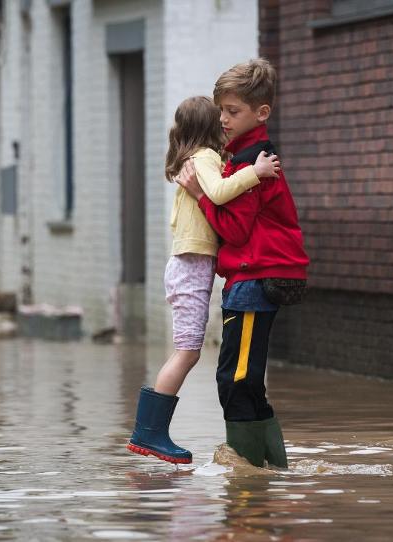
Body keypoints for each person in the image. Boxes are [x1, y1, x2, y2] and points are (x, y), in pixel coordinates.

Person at [127, 95, 282, 465]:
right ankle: (148, 434)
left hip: (186, 266)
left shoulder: (193, 158)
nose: (227, 123)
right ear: (212, 126)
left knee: (187, 350)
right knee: (188, 351)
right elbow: (218, 192)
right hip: (191, 268)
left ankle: (149, 433)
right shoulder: (205, 159)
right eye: (222, 118)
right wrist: (254, 173)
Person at [176, 59, 310, 468]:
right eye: (221, 111)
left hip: (256, 276)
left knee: (235, 379)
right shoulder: (243, 159)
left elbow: (234, 232)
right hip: (250, 276)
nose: (223, 119)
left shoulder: (254, 162)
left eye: (233, 111)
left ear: (261, 113)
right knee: (245, 379)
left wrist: (200, 196)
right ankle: (271, 469)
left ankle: (245, 467)